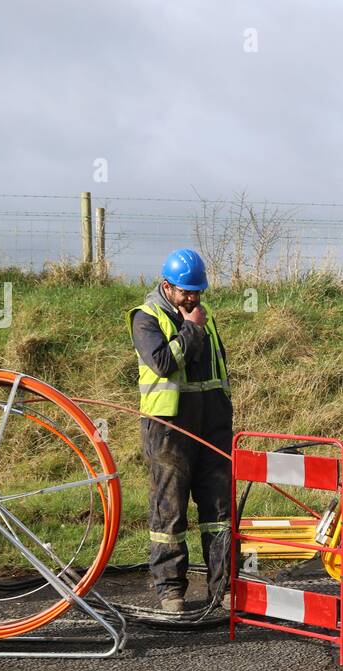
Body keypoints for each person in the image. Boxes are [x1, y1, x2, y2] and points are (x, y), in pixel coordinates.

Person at [125, 248, 232, 612]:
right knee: (169, 511)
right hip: (168, 428)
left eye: (197, 291)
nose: (193, 298)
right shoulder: (146, 318)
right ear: (167, 286)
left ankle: (224, 589)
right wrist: (192, 328)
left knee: (219, 509)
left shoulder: (203, 314)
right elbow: (164, 363)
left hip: (213, 424)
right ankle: (171, 591)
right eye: (186, 291)